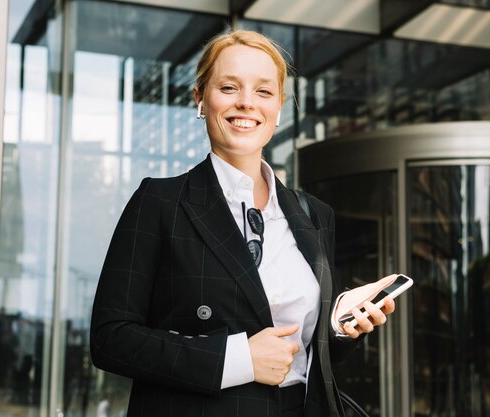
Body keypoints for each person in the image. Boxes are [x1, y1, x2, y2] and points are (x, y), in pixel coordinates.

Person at [90, 29, 395, 417]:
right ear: (200, 99)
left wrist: (340, 328)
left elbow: (304, 356)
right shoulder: (160, 202)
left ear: (279, 107)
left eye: (263, 92)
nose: (246, 103)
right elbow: (110, 339)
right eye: (229, 87)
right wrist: (239, 359)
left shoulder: (314, 214)